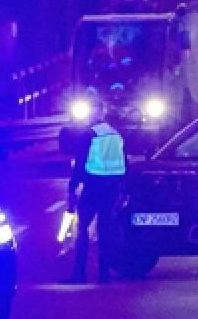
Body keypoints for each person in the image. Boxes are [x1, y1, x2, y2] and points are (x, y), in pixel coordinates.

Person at [64, 96, 126, 283]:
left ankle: (79, 273)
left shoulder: (88, 135)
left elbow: (80, 164)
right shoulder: (116, 134)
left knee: (82, 229)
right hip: (112, 189)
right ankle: (104, 273)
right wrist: (123, 188)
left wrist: (72, 189)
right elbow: (124, 163)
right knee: (105, 230)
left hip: (93, 188)